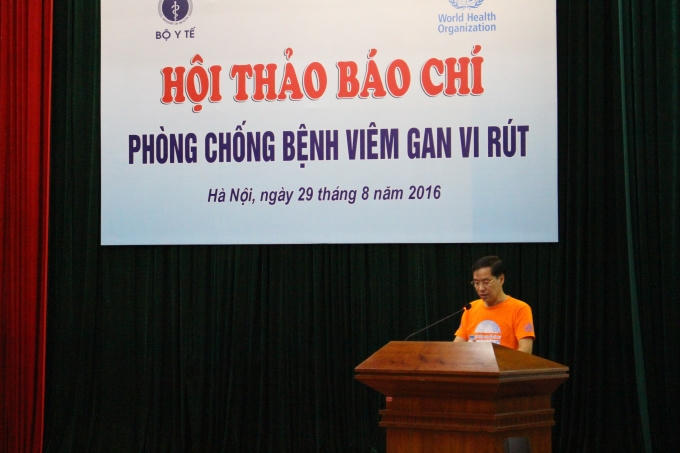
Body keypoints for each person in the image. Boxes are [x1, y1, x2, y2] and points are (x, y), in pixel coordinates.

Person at [453, 256, 535, 353]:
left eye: (486, 282)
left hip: (505, 362)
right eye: (476, 283)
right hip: (474, 362)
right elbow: (456, 348)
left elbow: (526, 351)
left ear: (501, 279)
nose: (481, 288)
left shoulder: (520, 308)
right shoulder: (470, 308)